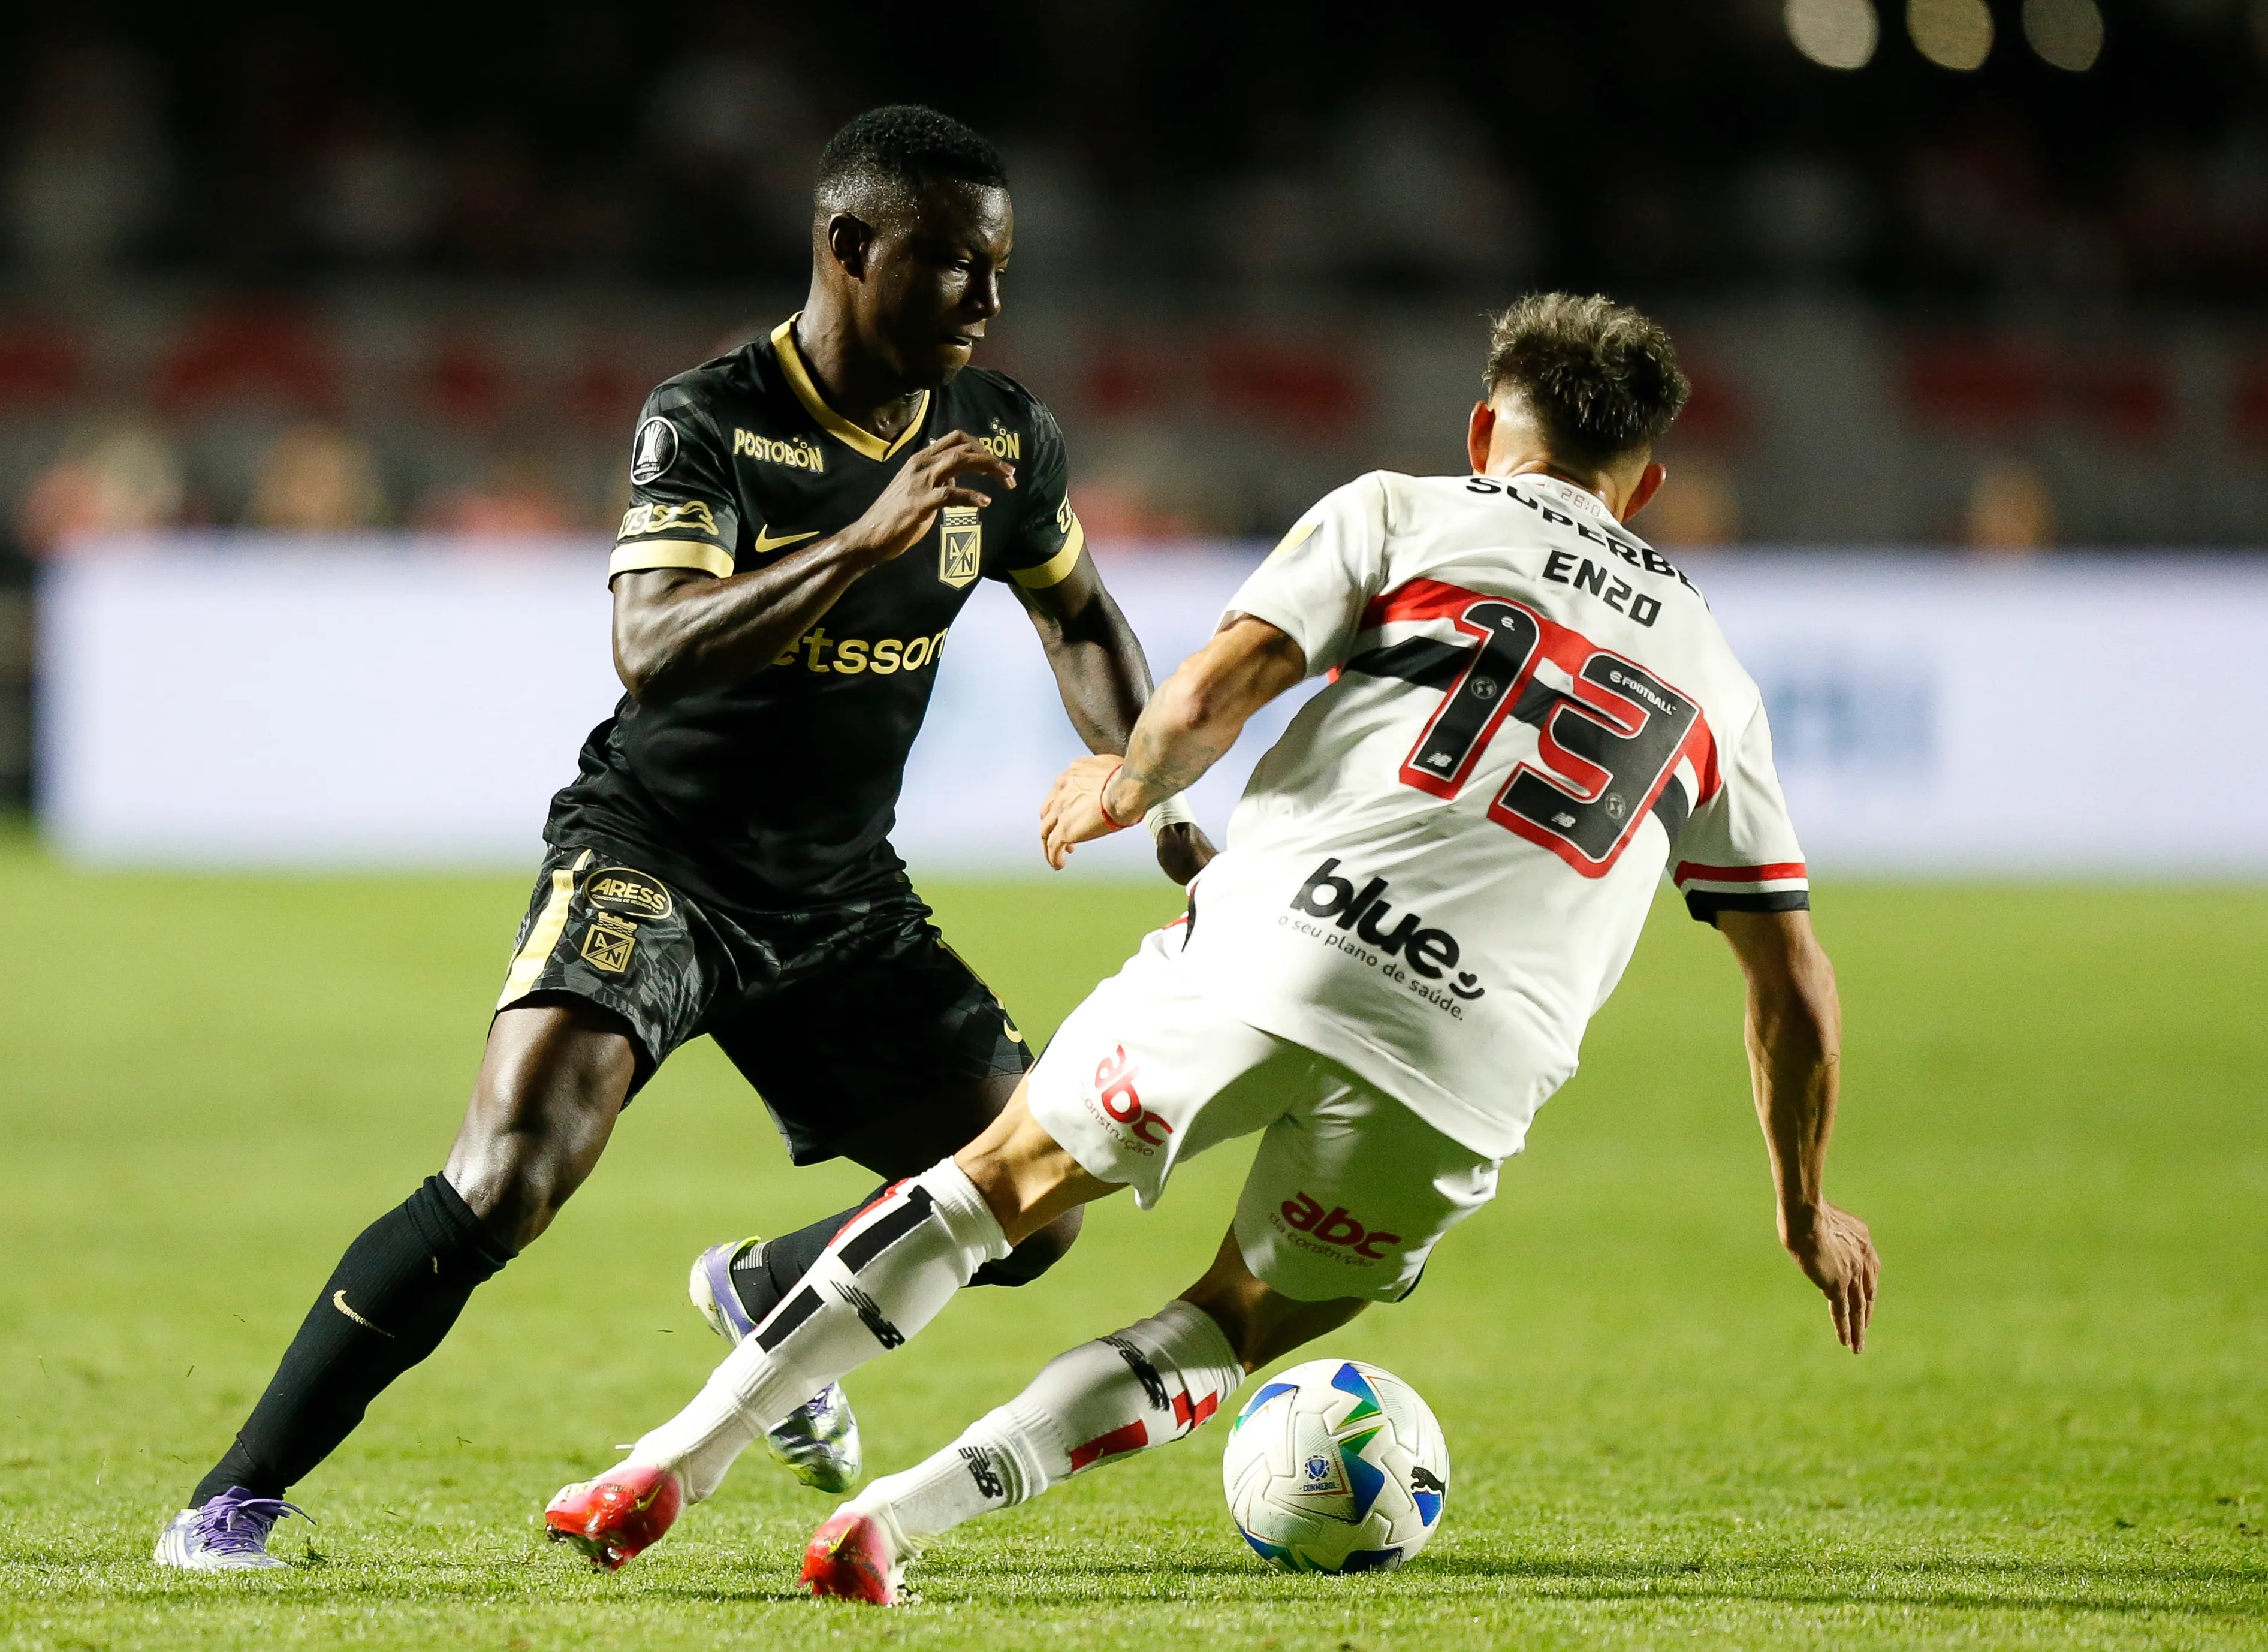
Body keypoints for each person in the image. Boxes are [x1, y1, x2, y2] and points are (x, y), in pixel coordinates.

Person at [537, 293, 1881, 1600]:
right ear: (1641, 489)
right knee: (1240, 1317)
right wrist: (1802, 1202)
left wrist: (1128, 786)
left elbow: (1217, 686)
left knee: (996, 1182)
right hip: (1470, 1063)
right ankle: (903, 1518)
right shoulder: (1718, 674)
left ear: (1486, 434)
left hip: (1280, 943)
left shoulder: (1405, 512)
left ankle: (671, 1457)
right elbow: (1794, 987)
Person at [155, 105, 1208, 1571]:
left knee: (1028, 1209)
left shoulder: (1001, 434)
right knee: (508, 1176)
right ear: (851, 247)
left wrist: (1144, 777)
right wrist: (860, 541)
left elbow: (1079, 610)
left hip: (840, 894)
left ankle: (773, 1284)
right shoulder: (710, 416)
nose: (989, 301)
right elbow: (650, 645)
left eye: (1000, 270)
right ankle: (230, 1500)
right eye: (958, 266)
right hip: (660, 859)